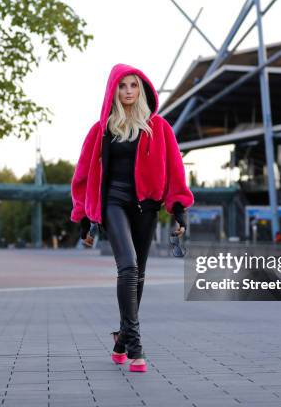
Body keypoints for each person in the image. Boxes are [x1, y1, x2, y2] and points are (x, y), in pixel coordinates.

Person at [70, 63, 194, 373]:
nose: (127, 91)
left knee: (138, 276)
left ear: (141, 90)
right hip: (113, 203)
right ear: (113, 91)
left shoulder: (159, 127)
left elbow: (174, 171)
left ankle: (120, 341)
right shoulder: (101, 130)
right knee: (128, 266)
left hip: (145, 207)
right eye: (122, 86)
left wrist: (177, 209)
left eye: (133, 86)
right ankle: (136, 345)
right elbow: (83, 175)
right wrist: (84, 216)